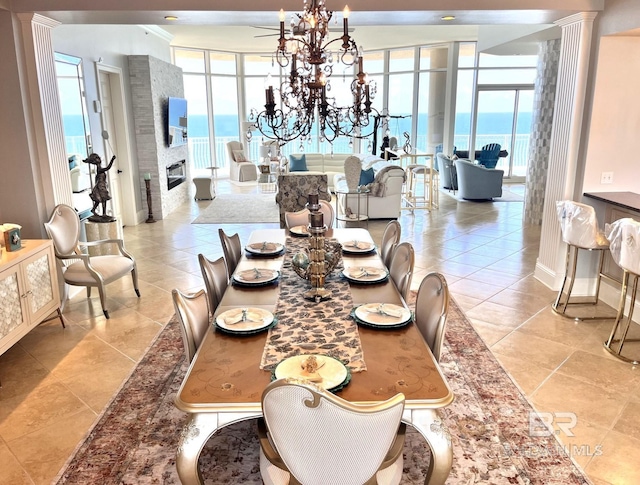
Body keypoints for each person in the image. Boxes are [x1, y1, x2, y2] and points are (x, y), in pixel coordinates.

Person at [83, 153, 116, 222]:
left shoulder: (99, 168)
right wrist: (112, 160)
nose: (99, 159)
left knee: (100, 200)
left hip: (102, 186)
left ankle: (96, 211)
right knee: (103, 199)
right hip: (100, 187)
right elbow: (108, 168)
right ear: (95, 161)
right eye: (97, 158)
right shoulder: (99, 169)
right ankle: (103, 213)